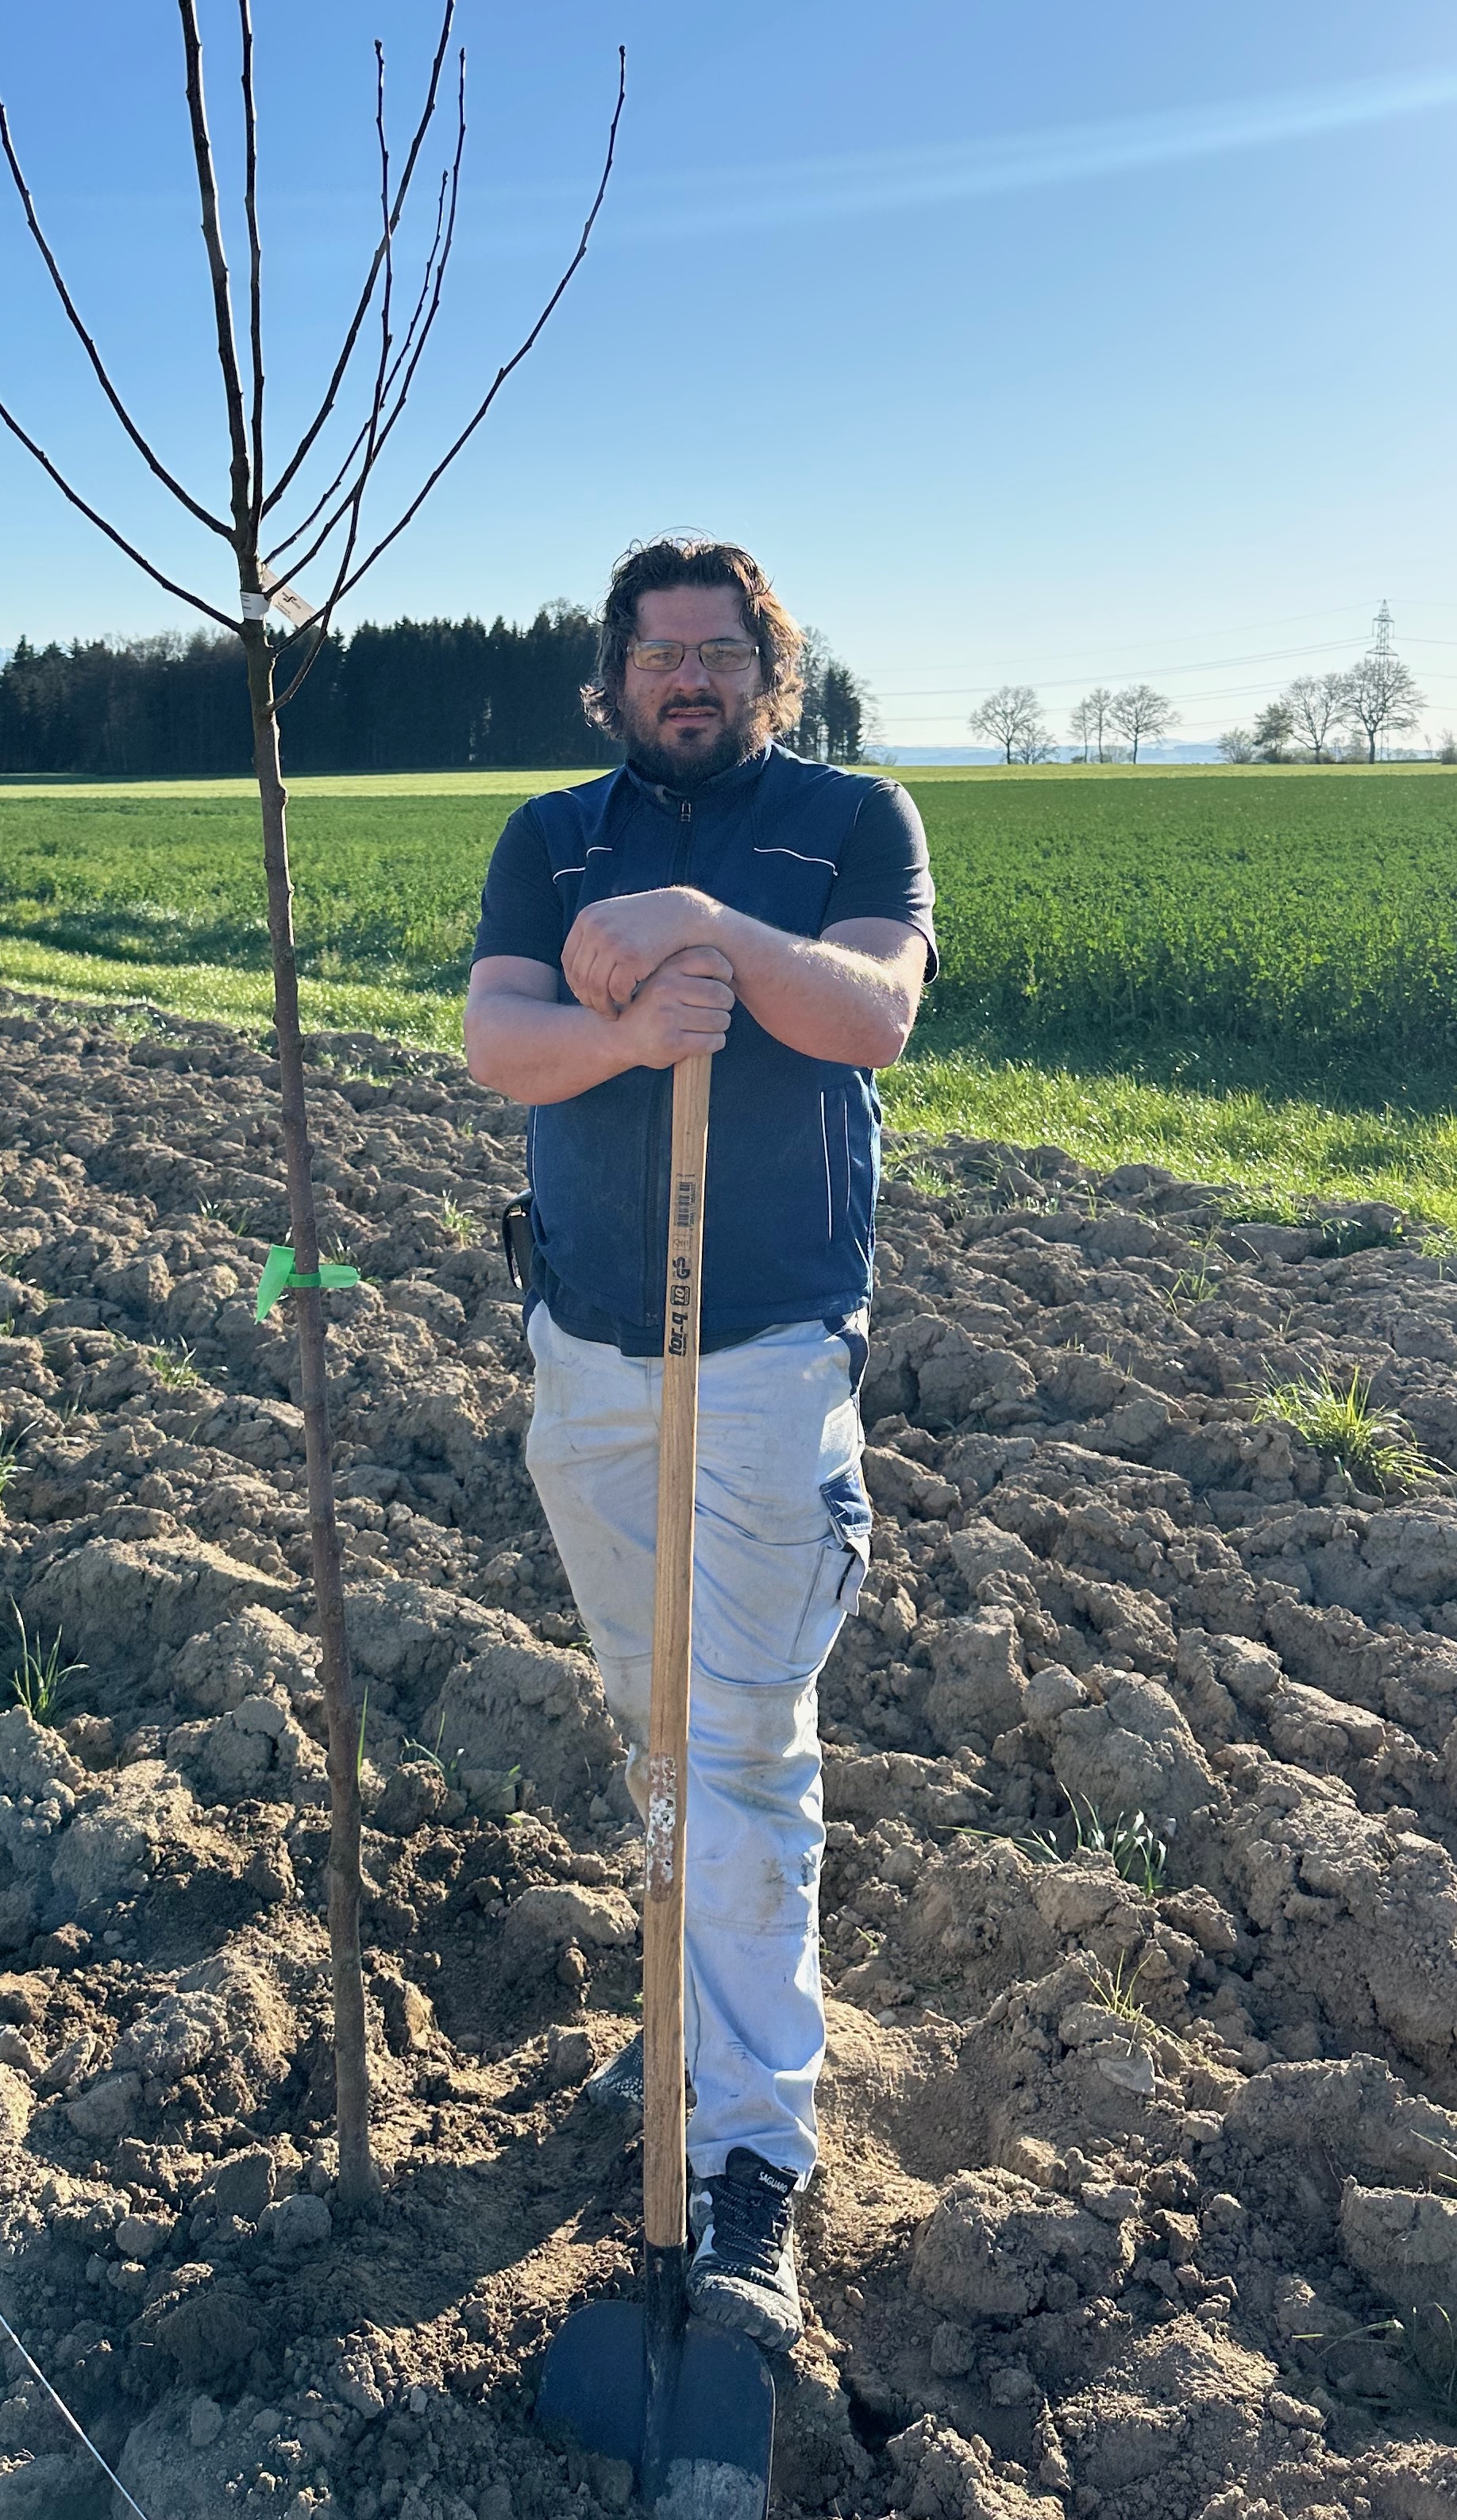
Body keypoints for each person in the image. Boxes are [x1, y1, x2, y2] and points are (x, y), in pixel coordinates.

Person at [463, 535, 935, 2355]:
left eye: (721, 652)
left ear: (767, 671)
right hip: (591, 1346)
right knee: (654, 1716)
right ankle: (684, 2016)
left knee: (740, 1744)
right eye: (660, 652)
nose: (688, 677)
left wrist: (706, 933)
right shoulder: (549, 836)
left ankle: (749, 2154)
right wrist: (628, 1029)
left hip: (764, 1359)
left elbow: (872, 1014)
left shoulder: (851, 821)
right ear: (613, 676)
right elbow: (497, 1039)